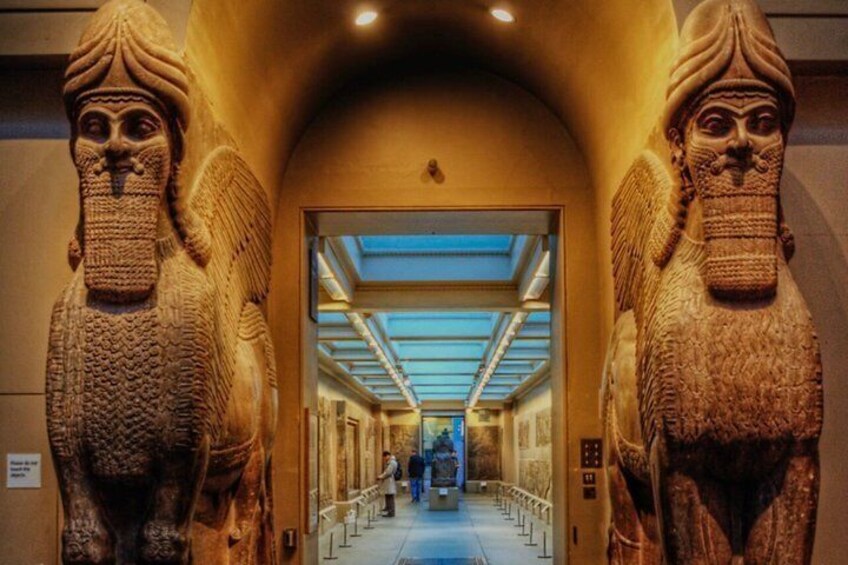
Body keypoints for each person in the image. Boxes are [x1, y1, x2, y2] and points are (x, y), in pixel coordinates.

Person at [377, 450, 398, 517]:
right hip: (389, 480)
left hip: (389, 480)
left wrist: (381, 477)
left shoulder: (391, 463)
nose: (384, 459)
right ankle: (389, 509)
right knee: (388, 495)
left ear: (387, 456)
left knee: (390, 496)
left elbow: (388, 472)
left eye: (384, 457)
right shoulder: (391, 462)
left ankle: (391, 512)